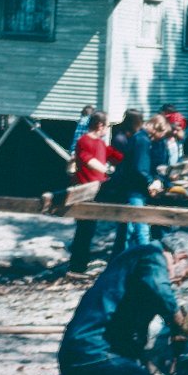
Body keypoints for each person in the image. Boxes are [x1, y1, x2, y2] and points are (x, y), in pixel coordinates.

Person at [58, 231, 188, 375]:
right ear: (181, 257)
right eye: (185, 276)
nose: (178, 284)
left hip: (95, 355)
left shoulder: (142, 265)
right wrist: (178, 320)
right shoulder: (150, 255)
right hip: (91, 355)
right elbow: (159, 288)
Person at [68, 111, 124, 275]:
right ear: (100, 125)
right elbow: (87, 160)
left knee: (90, 229)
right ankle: (76, 267)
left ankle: (81, 264)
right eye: (107, 126)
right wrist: (107, 170)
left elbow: (114, 155)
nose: (107, 129)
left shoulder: (100, 143)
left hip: (97, 191)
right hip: (85, 192)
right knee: (84, 230)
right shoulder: (83, 141)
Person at [111, 116, 161, 257]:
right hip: (135, 189)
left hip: (132, 187)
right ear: (153, 126)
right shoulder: (142, 140)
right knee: (140, 229)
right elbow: (140, 168)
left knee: (129, 229)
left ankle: (123, 259)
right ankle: (144, 260)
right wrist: (150, 181)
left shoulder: (139, 138)